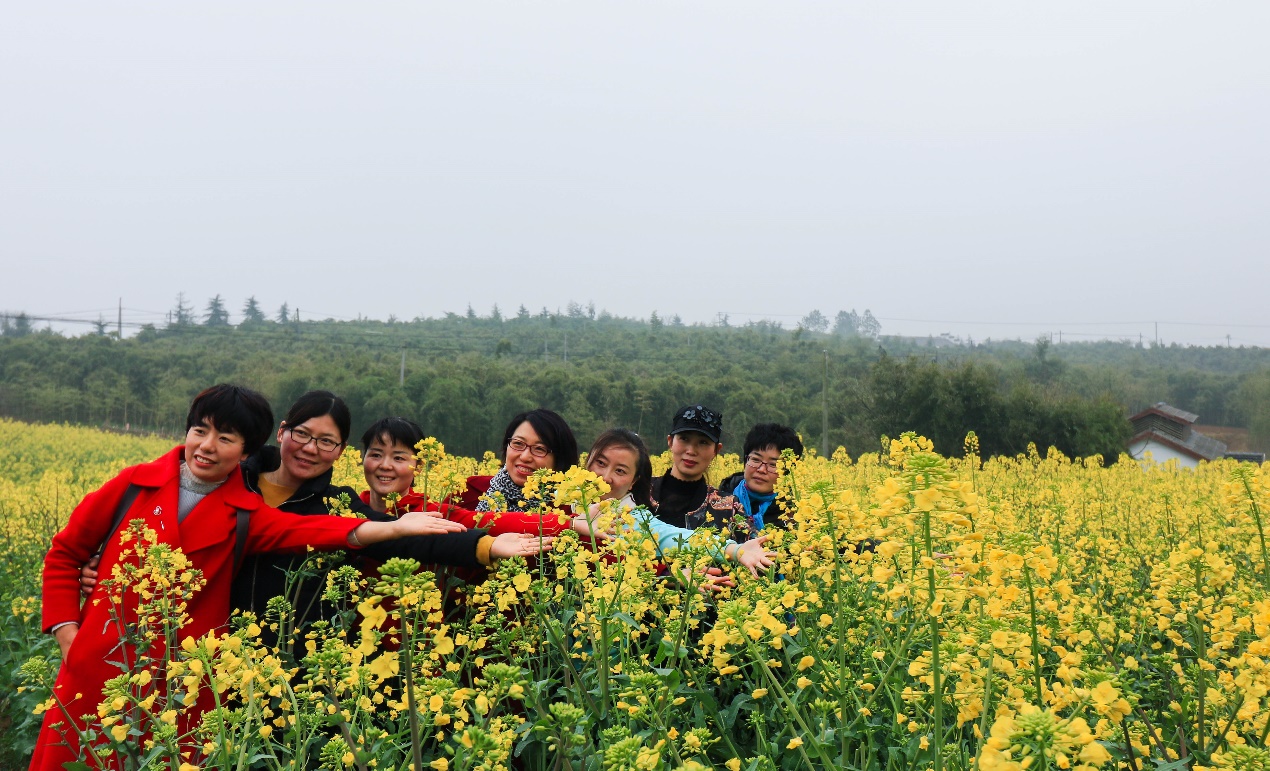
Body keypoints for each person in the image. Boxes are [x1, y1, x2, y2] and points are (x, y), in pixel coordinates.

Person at [34, 385, 512, 771]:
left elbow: (315, 529)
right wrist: (69, 634)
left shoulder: (251, 511)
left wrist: (417, 529)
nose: (208, 446)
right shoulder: (134, 485)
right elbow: (65, 554)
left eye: (226, 438)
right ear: (279, 436)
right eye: (201, 431)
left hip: (196, 677)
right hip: (103, 664)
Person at [359, 415, 598, 538]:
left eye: (539, 449)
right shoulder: (468, 491)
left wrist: (568, 522)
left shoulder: (574, 508)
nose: (525, 456)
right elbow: (476, 522)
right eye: (518, 444)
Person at [586, 428, 775, 578]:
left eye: (620, 471)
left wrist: (735, 550)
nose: (605, 477)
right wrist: (572, 524)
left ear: (634, 481)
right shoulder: (559, 501)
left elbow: (681, 538)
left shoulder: (631, 518)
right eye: (600, 463)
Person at [650, 404, 745, 531]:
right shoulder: (638, 491)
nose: (691, 451)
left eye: (703, 442)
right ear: (670, 441)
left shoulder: (729, 508)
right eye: (684, 438)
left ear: (716, 450)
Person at [716, 423, 804, 536]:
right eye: (756, 460)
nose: (762, 469)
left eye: (773, 464)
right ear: (746, 460)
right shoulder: (716, 501)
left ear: (786, 473)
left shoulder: (792, 516)